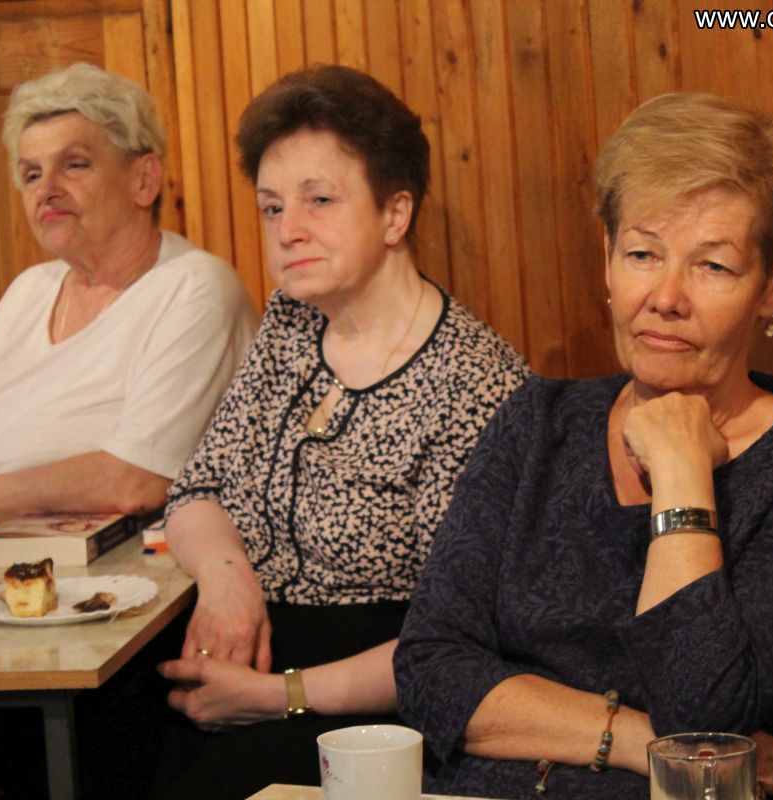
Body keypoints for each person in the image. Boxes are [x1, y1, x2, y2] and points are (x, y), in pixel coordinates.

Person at [394, 92, 773, 799]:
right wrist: (636, 741)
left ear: (772, 286)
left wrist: (682, 474)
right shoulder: (538, 423)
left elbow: (702, 710)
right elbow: (428, 671)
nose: (666, 297)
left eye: (712, 266)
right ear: (607, 260)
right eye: (643, 254)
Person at [141, 64, 531, 798]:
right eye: (272, 206)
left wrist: (275, 695)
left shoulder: (476, 383)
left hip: (367, 705)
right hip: (239, 650)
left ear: (395, 214)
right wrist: (227, 582)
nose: (288, 229)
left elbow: (459, 639)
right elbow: (196, 490)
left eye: (318, 200)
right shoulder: (291, 321)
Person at [0, 62, 257, 533]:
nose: (47, 191)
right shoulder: (29, 290)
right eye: (32, 174)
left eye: (75, 165)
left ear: (144, 180)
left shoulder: (194, 289)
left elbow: (136, 479)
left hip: (118, 569)